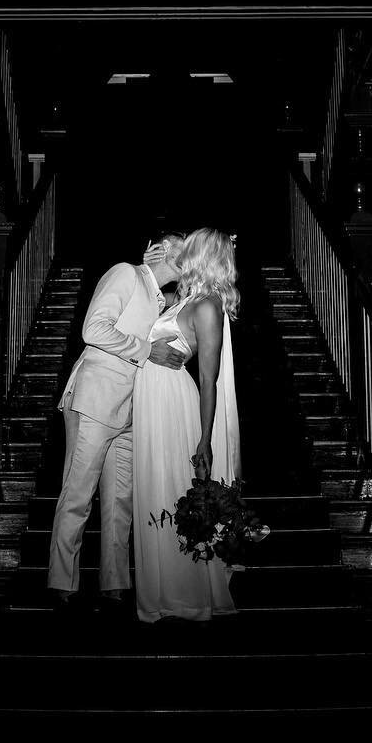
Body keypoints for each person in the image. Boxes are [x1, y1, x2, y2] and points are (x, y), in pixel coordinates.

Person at [47, 236, 188, 616]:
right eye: (182, 247)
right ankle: (62, 583)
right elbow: (93, 329)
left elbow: (195, 295)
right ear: (162, 250)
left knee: (119, 501)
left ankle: (114, 583)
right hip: (94, 399)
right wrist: (147, 350)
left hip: (129, 410)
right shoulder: (125, 274)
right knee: (78, 494)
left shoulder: (159, 297)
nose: (189, 253)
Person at [132, 228, 242, 623]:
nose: (184, 251)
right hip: (150, 398)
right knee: (152, 486)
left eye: (190, 246)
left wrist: (205, 439)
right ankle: (159, 591)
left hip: (172, 400)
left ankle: (184, 594)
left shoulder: (208, 306)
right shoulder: (183, 297)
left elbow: (209, 379)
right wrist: (148, 269)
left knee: (171, 486)